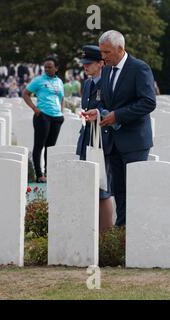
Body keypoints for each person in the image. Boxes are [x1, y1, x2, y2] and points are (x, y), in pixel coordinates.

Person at [82, 30, 156, 227]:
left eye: (106, 52)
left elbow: (148, 102)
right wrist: (97, 114)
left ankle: (137, 232)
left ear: (120, 49)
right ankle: (122, 231)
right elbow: (107, 102)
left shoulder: (139, 68)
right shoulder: (106, 70)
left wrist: (118, 115)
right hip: (112, 140)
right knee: (119, 190)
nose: (102, 57)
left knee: (134, 190)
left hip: (134, 141)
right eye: (101, 52)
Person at [76, 45, 113, 233]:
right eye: (84, 64)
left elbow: (112, 110)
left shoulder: (109, 82)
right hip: (88, 139)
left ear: (101, 63)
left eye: (89, 63)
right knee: (88, 188)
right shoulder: (88, 84)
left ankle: (106, 237)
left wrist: (99, 113)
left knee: (102, 189)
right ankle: (91, 232)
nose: (85, 67)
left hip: (103, 141)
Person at [23, 56, 65, 183]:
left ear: (56, 68)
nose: (47, 69)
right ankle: (39, 174)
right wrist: (35, 108)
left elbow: (62, 98)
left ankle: (49, 173)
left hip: (56, 117)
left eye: (50, 67)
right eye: (45, 67)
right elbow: (25, 93)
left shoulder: (59, 81)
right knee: (39, 146)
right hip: (43, 116)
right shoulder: (39, 80)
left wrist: (61, 112)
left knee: (51, 147)